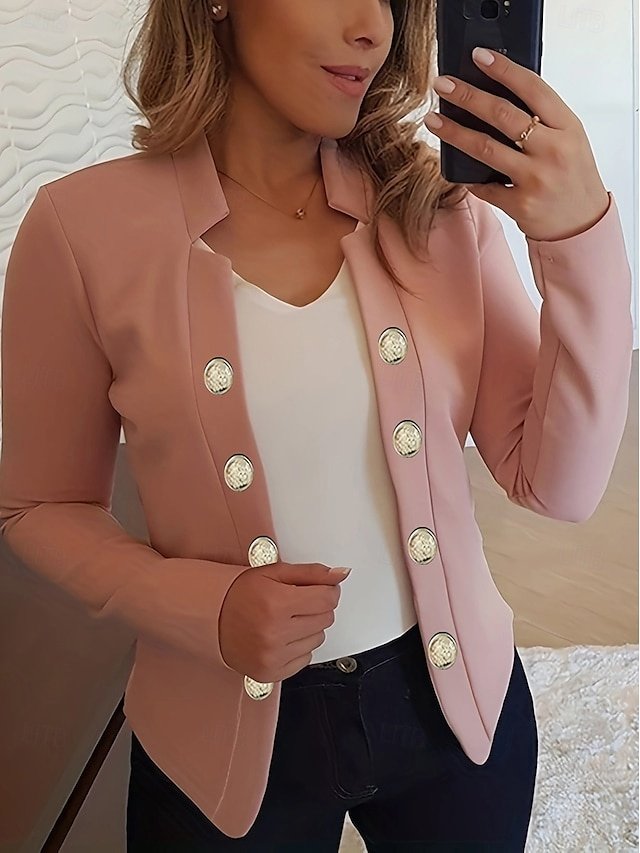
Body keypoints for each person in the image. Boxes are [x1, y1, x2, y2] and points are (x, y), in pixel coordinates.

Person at [1, 0, 631, 849]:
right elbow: (39, 506)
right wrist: (204, 607)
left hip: (454, 715)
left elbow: (558, 485)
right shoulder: (82, 230)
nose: (373, 27)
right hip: (212, 733)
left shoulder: (438, 209)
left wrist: (581, 236)